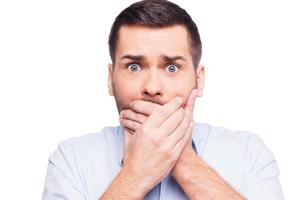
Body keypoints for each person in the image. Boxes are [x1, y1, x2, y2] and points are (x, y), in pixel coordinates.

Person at [42, 0, 284, 199]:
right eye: (134, 66)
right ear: (110, 79)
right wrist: (135, 175)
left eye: (171, 68)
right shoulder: (69, 160)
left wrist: (181, 160)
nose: (152, 88)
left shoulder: (249, 154)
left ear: (199, 80)